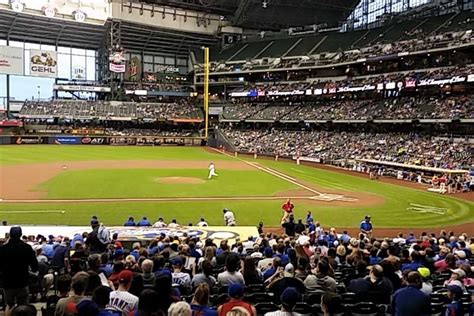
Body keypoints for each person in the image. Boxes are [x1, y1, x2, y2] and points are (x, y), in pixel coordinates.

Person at [0, 226, 38, 316]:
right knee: (24, 306)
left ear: (10, 235)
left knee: (9, 305)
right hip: (22, 281)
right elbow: (34, 265)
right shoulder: (26, 247)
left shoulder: (3, 249)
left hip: (8, 282)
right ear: (20, 235)